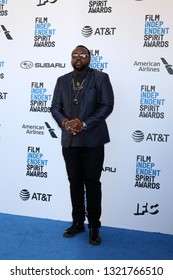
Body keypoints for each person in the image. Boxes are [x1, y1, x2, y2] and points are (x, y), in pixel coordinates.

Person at [50, 45, 114, 245]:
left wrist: (84, 124)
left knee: (92, 183)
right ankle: (78, 222)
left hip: (93, 139)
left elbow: (107, 105)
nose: (78, 58)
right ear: (71, 58)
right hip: (70, 140)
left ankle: (94, 226)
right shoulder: (62, 80)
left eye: (82, 55)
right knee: (74, 182)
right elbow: (55, 107)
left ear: (89, 58)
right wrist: (66, 123)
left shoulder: (101, 78)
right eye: (75, 55)